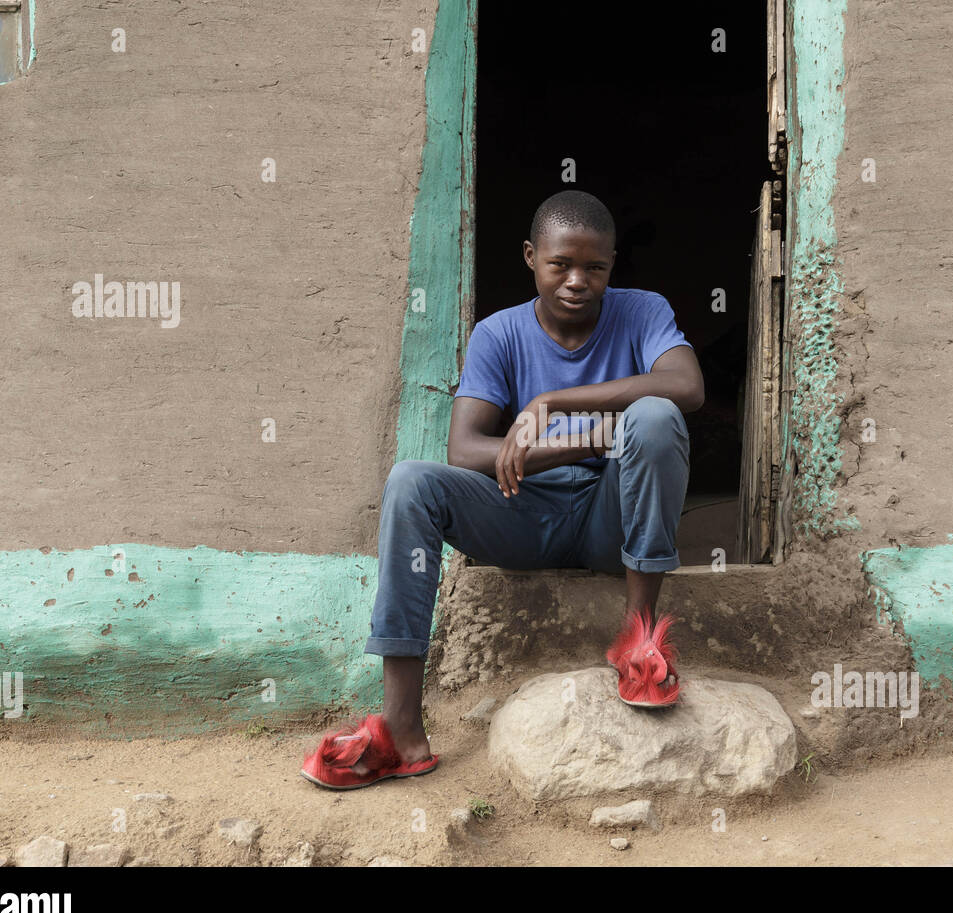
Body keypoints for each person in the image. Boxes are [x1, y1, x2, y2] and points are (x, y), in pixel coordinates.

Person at [300, 189, 704, 790]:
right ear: (529, 257)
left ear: (612, 265)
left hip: (607, 519)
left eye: (594, 267)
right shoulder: (499, 334)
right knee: (412, 480)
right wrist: (582, 443)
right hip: (523, 516)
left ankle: (640, 644)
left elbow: (687, 387)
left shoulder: (642, 312)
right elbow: (466, 449)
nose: (577, 280)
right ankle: (401, 727)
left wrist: (551, 403)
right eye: (560, 264)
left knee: (654, 416)